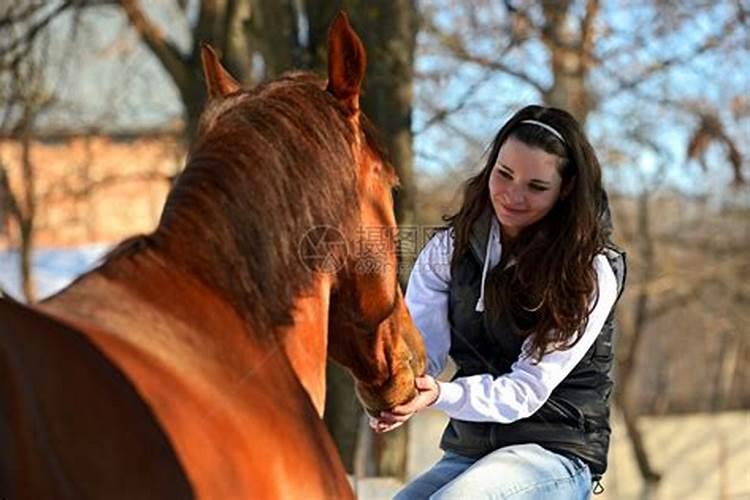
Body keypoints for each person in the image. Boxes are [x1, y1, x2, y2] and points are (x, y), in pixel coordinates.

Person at [371, 105, 626, 499]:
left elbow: (525, 390)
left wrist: (441, 395)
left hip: (555, 454)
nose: (512, 195)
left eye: (536, 187)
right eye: (503, 174)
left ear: (567, 189)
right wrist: (396, 385)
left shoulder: (588, 273)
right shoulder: (449, 249)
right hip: (472, 451)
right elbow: (422, 351)